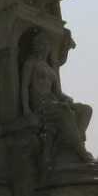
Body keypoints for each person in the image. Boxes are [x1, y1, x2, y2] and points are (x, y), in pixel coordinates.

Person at [21, 31, 93, 163]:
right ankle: (80, 151)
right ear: (36, 46)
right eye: (41, 44)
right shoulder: (30, 63)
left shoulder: (50, 69)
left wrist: (67, 98)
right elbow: (25, 87)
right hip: (40, 104)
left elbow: (58, 93)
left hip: (53, 101)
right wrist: (26, 110)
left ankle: (79, 140)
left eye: (46, 45)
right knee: (65, 111)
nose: (44, 47)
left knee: (86, 109)